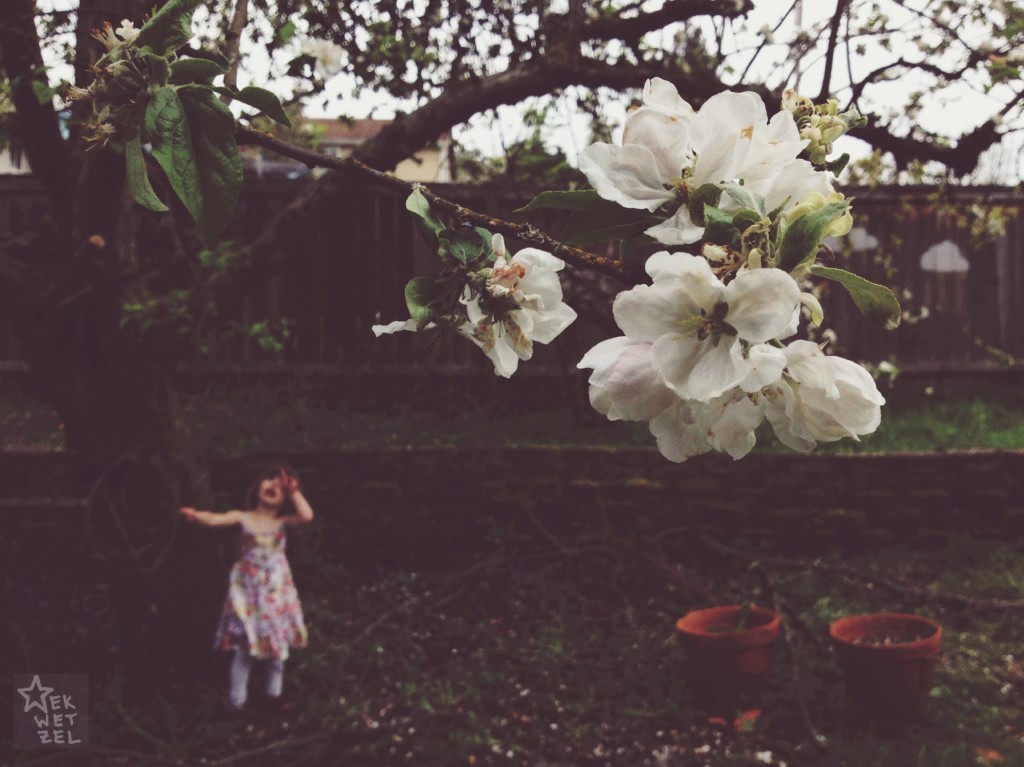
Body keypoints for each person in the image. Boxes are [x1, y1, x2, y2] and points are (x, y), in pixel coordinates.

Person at [179, 465, 313, 711]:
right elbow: (215, 519)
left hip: (275, 595)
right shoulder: (243, 517)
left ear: (285, 498)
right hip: (248, 594)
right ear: (258, 486)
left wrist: (294, 491)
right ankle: (235, 703)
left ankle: (274, 697)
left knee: (276, 649)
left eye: (280, 487)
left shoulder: (283, 521)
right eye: (269, 480)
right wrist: (196, 515)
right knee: (244, 649)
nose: (273, 486)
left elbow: (306, 516)